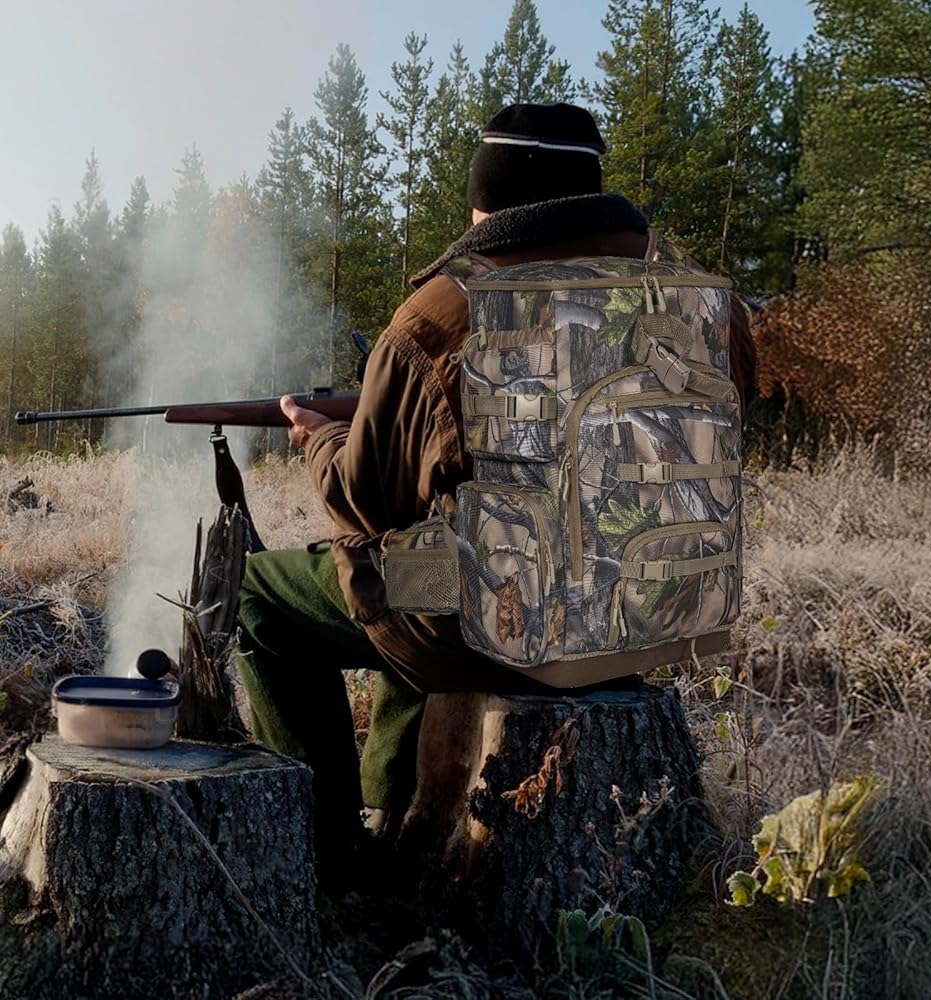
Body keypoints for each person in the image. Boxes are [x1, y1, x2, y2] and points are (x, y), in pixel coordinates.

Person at [235, 102, 758, 858]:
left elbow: (364, 500)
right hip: (654, 620)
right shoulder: (710, 303)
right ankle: (393, 806)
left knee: (268, 591)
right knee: (430, 547)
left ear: (490, 200)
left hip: (509, 627)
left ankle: (329, 852)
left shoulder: (444, 313)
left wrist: (322, 437)